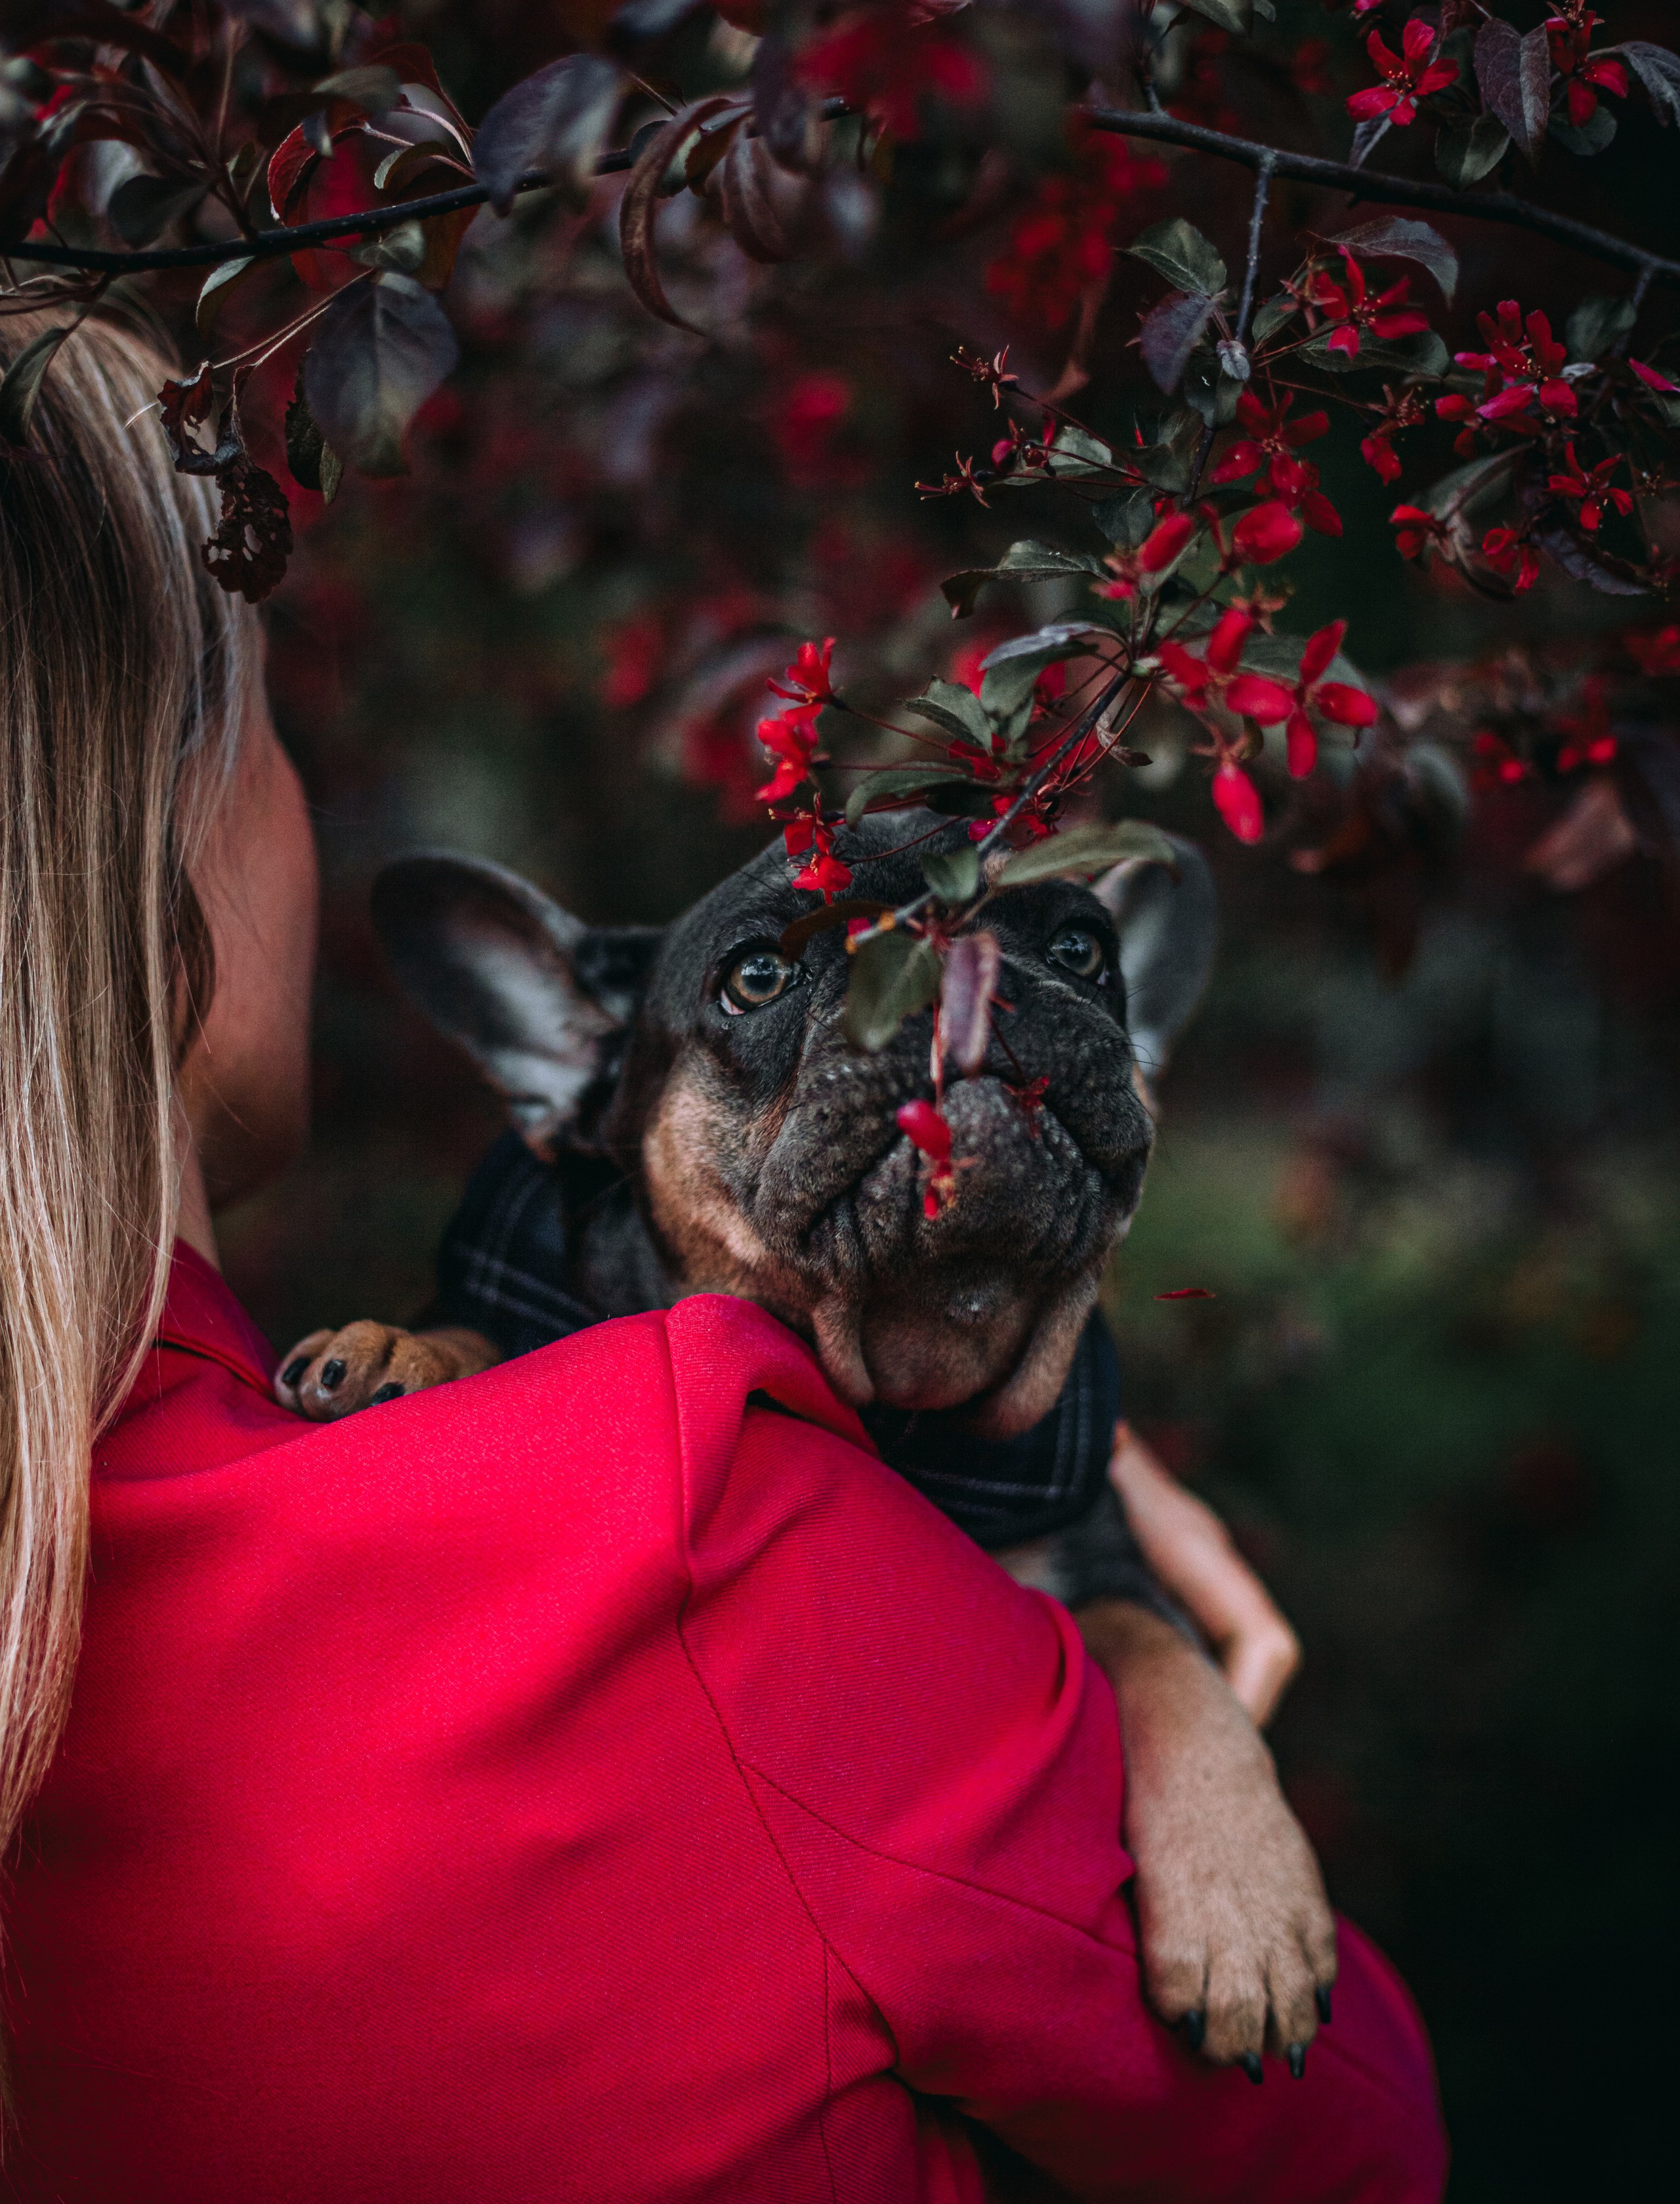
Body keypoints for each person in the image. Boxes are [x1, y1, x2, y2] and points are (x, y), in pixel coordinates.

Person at [0, 315, 1446, 2201]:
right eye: (265, 722)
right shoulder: (693, 1522)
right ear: (163, 833)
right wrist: (1107, 1692)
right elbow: (1354, 2137)